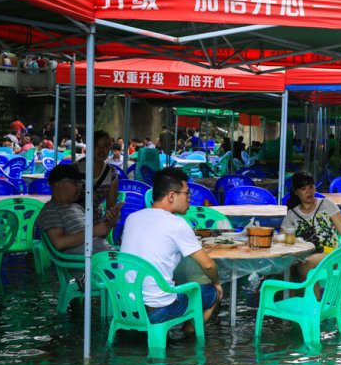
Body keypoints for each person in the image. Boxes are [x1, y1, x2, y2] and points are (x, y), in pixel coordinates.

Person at [120, 168, 222, 331]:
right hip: (158, 311)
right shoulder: (177, 224)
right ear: (171, 196)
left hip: (126, 306)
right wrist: (217, 283)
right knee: (212, 292)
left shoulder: (132, 218)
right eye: (187, 193)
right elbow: (208, 265)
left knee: (178, 284)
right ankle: (190, 334)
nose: (190, 199)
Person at [281, 172, 341, 286]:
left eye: (311, 187)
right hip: (305, 253)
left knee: (306, 262)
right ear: (296, 191)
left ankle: (314, 300)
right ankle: (293, 300)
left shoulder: (326, 204)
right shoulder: (292, 214)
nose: (309, 191)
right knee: (285, 266)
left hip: (331, 253)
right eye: (304, 188)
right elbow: (283, 238)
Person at [37, 164, 120, 277]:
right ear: (59, 185)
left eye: (80, 183)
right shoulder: (51, 210)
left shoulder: (76, 207)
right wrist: (94, 231)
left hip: (104, 260)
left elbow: (93, 237)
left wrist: (109, 223)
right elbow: (59, 243)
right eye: (75, 182)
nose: (80, 186)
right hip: (91, 268)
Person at [75, 130, 118, 224]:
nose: (101, 150)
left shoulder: (111, 173)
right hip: (73, 221)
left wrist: (110, 220)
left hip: (96, 223)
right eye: (97, 146)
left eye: (105, 146)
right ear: (89, 147)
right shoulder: (75, 169)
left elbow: (111, 206)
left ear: (110, 148)